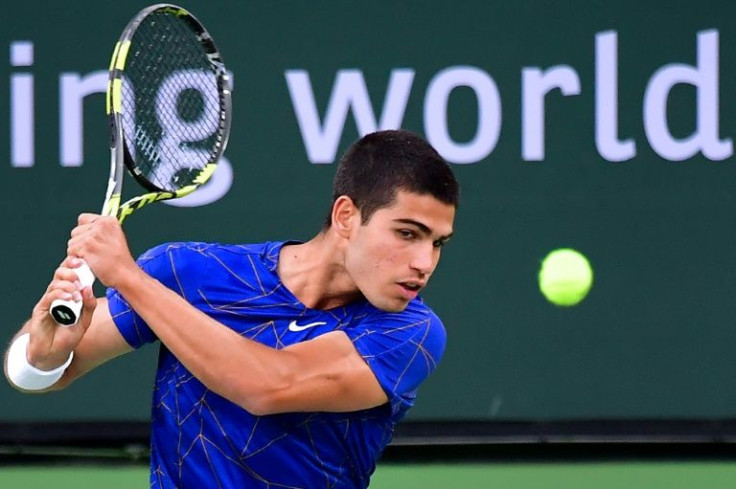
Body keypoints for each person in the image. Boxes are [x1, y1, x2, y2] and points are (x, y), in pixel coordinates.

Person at [4, 129, 459, 489]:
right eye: (407, 233)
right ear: (345, 216)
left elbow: (268, 386)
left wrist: (127, 277)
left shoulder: (411, 331)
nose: (425, 263)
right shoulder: (189, 273)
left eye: (437, 243)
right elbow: (43, 371)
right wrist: (43, 347)